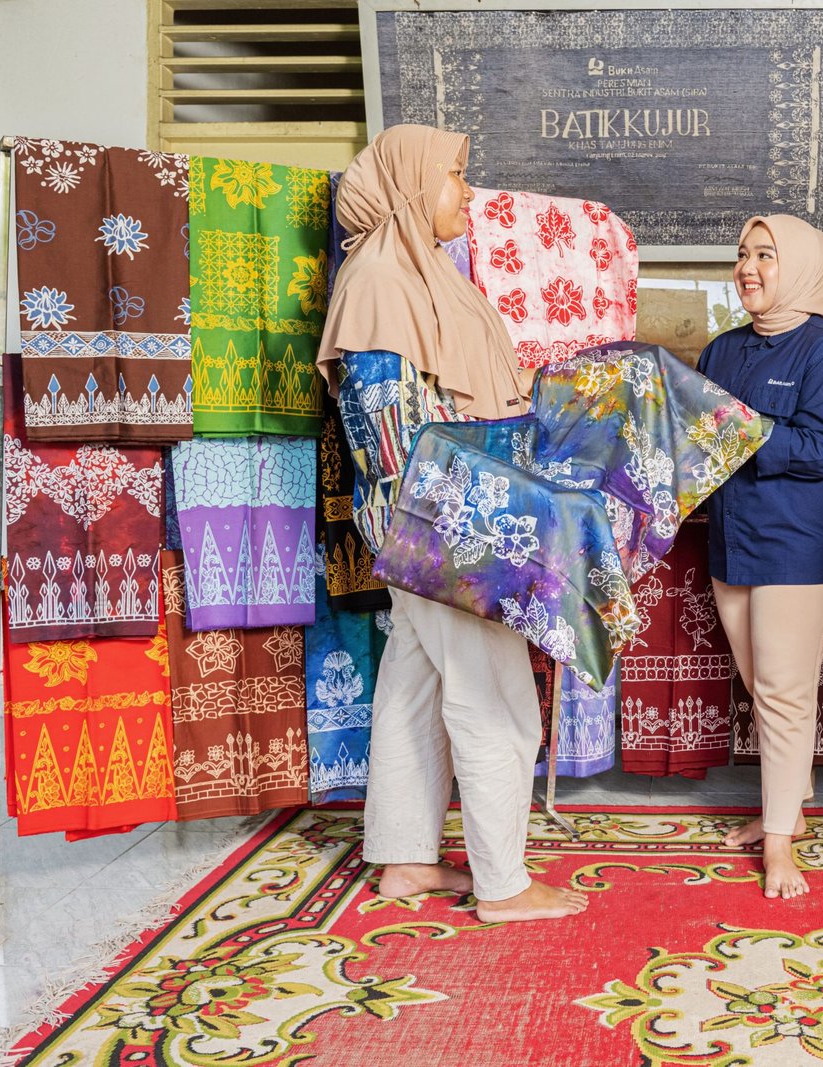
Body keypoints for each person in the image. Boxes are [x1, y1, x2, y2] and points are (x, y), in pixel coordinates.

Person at [316, 124, 586, 923]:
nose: (467, 192)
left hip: (440, 516)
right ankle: (503, 883)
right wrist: (469, 523)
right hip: (444, 524)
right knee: (492, 691)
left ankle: (404, 860)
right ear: (410, 184)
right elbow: (386, 433)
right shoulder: (380, 280)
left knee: (415, 685)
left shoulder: (421, 274)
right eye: (455, 175)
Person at [697, 215, 823, 899]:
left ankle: (778, 846)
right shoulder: (722, 350)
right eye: (742, 254)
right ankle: (787, 809)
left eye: (766, 255)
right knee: (761, 684)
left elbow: (822, 448)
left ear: (800, 267)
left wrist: (737, 429)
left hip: (799, 544)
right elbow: (696, 436)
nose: (748, 267)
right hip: (732, 538)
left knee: (784, 692)